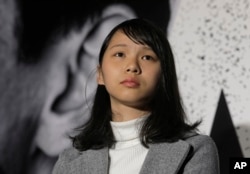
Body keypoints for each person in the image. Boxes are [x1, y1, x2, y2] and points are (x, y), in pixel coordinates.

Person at [52, 18, 220, 174]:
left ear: (163, 76)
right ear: (100, 74)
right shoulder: (70, 160)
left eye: (147, 57)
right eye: (120, 54)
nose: (132, 66)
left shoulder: (196, 149)